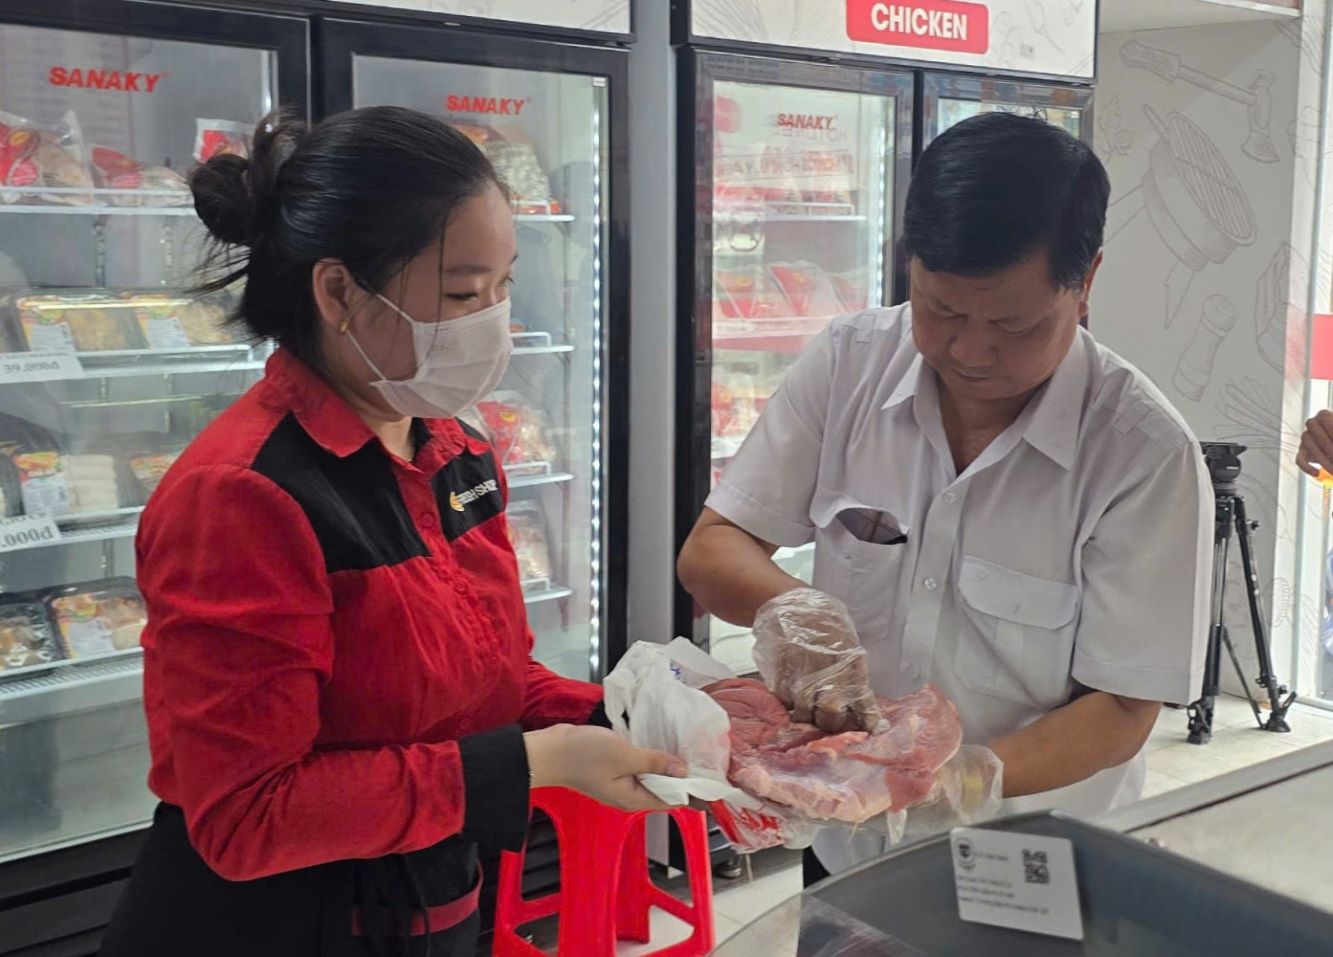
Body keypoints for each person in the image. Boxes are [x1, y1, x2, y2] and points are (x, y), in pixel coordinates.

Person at [100, 107, 682, 957]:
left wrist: (648, 719)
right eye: (462, 294)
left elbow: (486, 682)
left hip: (427, 900)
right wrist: (536, 763)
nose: (492, 322)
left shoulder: (452, 447)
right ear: (339, 292)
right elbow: (247, 814)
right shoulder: (243, 496)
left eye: (504, 287)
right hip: (276, 926)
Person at [678, 113, 1212, 884]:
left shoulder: (1141, 453)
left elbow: (1125, 707)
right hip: (847, 842)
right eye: (941, 310)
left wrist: (960, 777)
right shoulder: (849, 363)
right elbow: (712, 547)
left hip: (1035, 855)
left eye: (1011, 324)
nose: (968, 349)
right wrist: (794, 612)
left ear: (1085, 282)